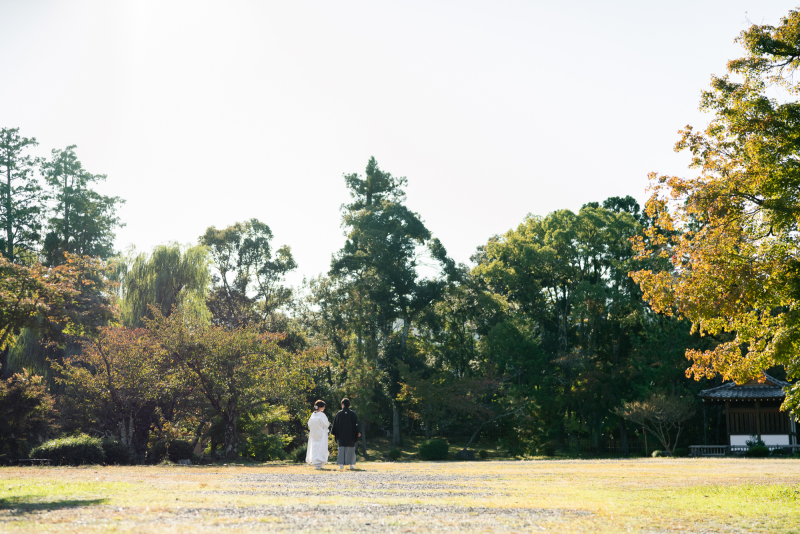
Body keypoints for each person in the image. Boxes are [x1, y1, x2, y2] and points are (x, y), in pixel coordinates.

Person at [331, 398, 361, 470]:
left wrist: (334, 433)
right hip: (351, 434)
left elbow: (335, 424)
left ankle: (341, 464)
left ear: (343, 404)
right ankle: (351, 464)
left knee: (341, 449)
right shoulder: (353, 414)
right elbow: (356, 424)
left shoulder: (339, 413)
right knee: (351, 449)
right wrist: (358, 432)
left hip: (341, 435)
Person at [305, 400, 330, 470]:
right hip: (321, 434)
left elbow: (309, 424)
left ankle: (316, 464)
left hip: (314, 434)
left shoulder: (313, 415)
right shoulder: (322, 415)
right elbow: (326, 424)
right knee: (321, 447)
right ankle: (320, 463)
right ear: (320, 407)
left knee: (315, 447)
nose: (324, 408)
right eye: (323, 407)